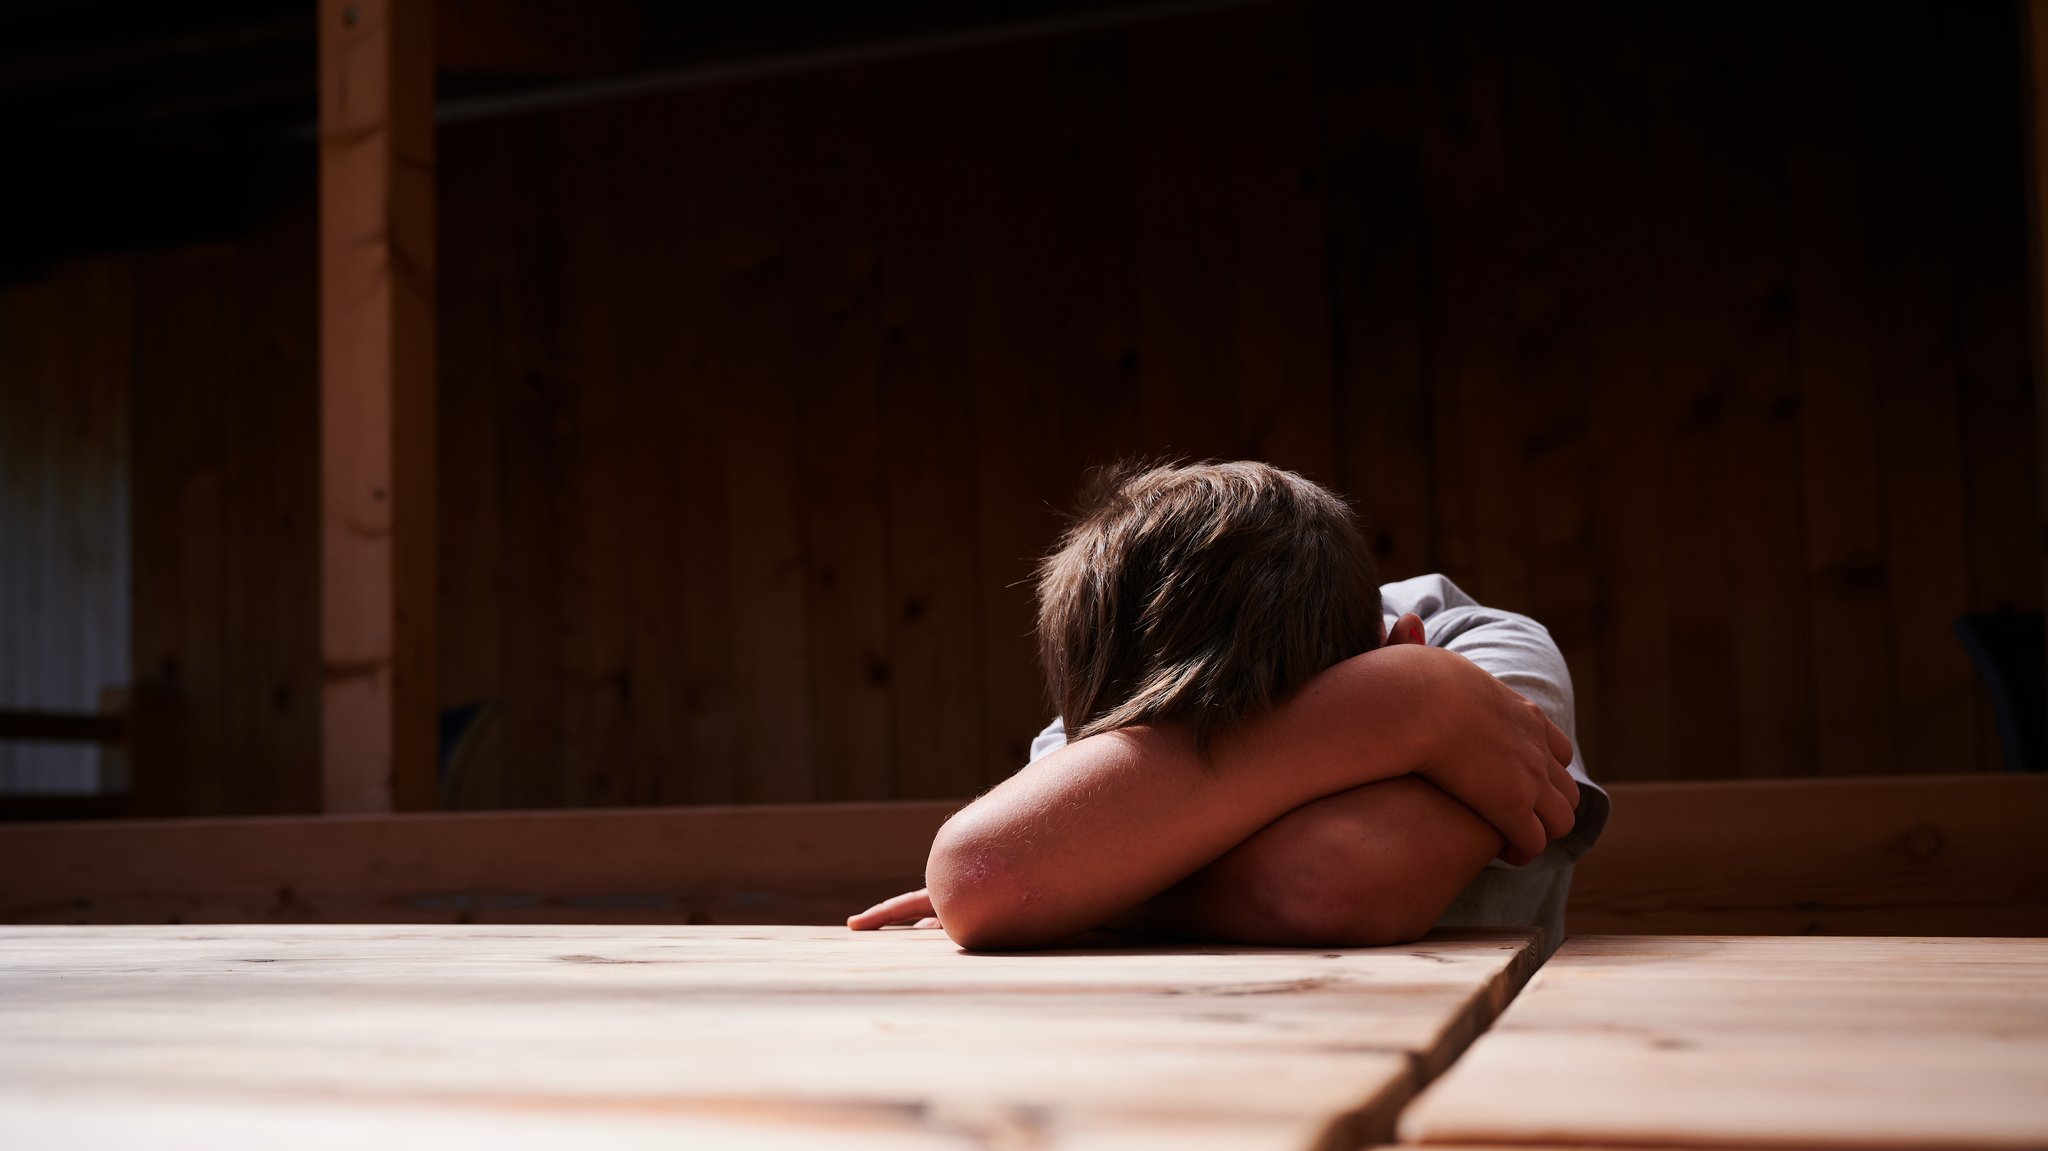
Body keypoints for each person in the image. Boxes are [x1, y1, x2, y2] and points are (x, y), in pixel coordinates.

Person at [848, 460, 1607, 955]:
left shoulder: (1480, 655)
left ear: (1398, 640)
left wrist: (1080, 885)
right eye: (1162, 747)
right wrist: (1404, 708)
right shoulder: (1130, 698)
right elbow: (982, 873)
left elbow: (1322, 884)